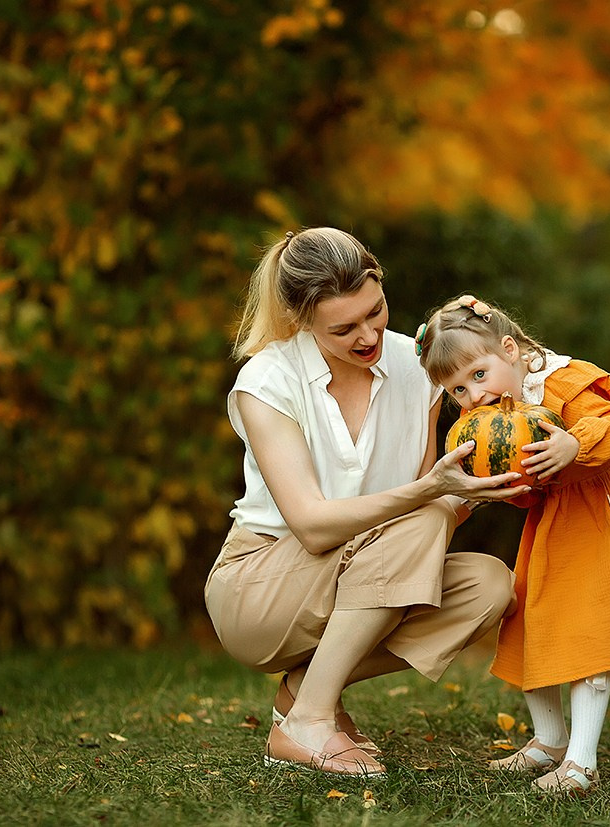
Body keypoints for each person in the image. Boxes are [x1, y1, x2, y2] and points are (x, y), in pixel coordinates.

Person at [205, 230, 524, 779]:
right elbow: (310, 527)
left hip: (366, 569)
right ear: (302, 321)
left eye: (375, 311)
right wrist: (432, 493)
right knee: (421, 512)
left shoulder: (414, 364)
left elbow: (436, 501)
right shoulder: (267, 381)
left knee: (488, 587)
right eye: (343, 327)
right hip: (262, 586)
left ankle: (306, 691)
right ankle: (308, 721)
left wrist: (487, 486)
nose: (368, 333)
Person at [415, 294, 610, 794]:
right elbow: (529, 480)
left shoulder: (562, 381)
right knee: (530, 617)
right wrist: (505, 486)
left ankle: (582, 764)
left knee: (587, 630)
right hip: (556, 518)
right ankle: (549, 741)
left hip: (603, 511)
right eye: (457, 389)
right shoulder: (493, 415)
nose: (472, 395)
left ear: (511, 350)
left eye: (478, 375)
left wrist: (574, 444)